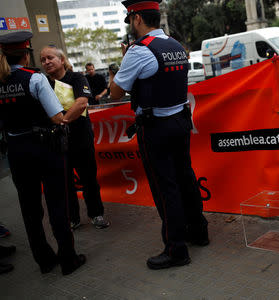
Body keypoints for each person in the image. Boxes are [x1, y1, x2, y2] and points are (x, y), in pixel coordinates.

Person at [110, 0, 209, 270]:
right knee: (186, 177)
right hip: (180, 121)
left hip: (156, 128)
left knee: (166, 188)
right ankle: (199, 231)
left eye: (130, 20)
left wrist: (122, 62)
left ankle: (176, 249)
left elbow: (115, 92)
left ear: (138, 19)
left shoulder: (139, 51)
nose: (131, 26)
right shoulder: (176, 45)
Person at [0, 31, 85, 275]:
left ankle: (45, 260)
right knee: (58, 203)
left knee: (29, 208)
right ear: (26, 55)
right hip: (45, 148)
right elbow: (57, 117)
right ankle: (68, 259)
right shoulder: (35, 79)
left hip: (16, 151)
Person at [40, 46, 110, 230]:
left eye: (50, 58)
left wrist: (61, 122)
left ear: (61, 60)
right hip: (56, 142)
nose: (46, 62)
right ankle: (73, 218)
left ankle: (96, 214)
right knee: (64, 182)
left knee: (89, 179)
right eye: (42, 60)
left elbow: (81, 103)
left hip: (80, 138)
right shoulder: (43, 83)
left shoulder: (77, 78)